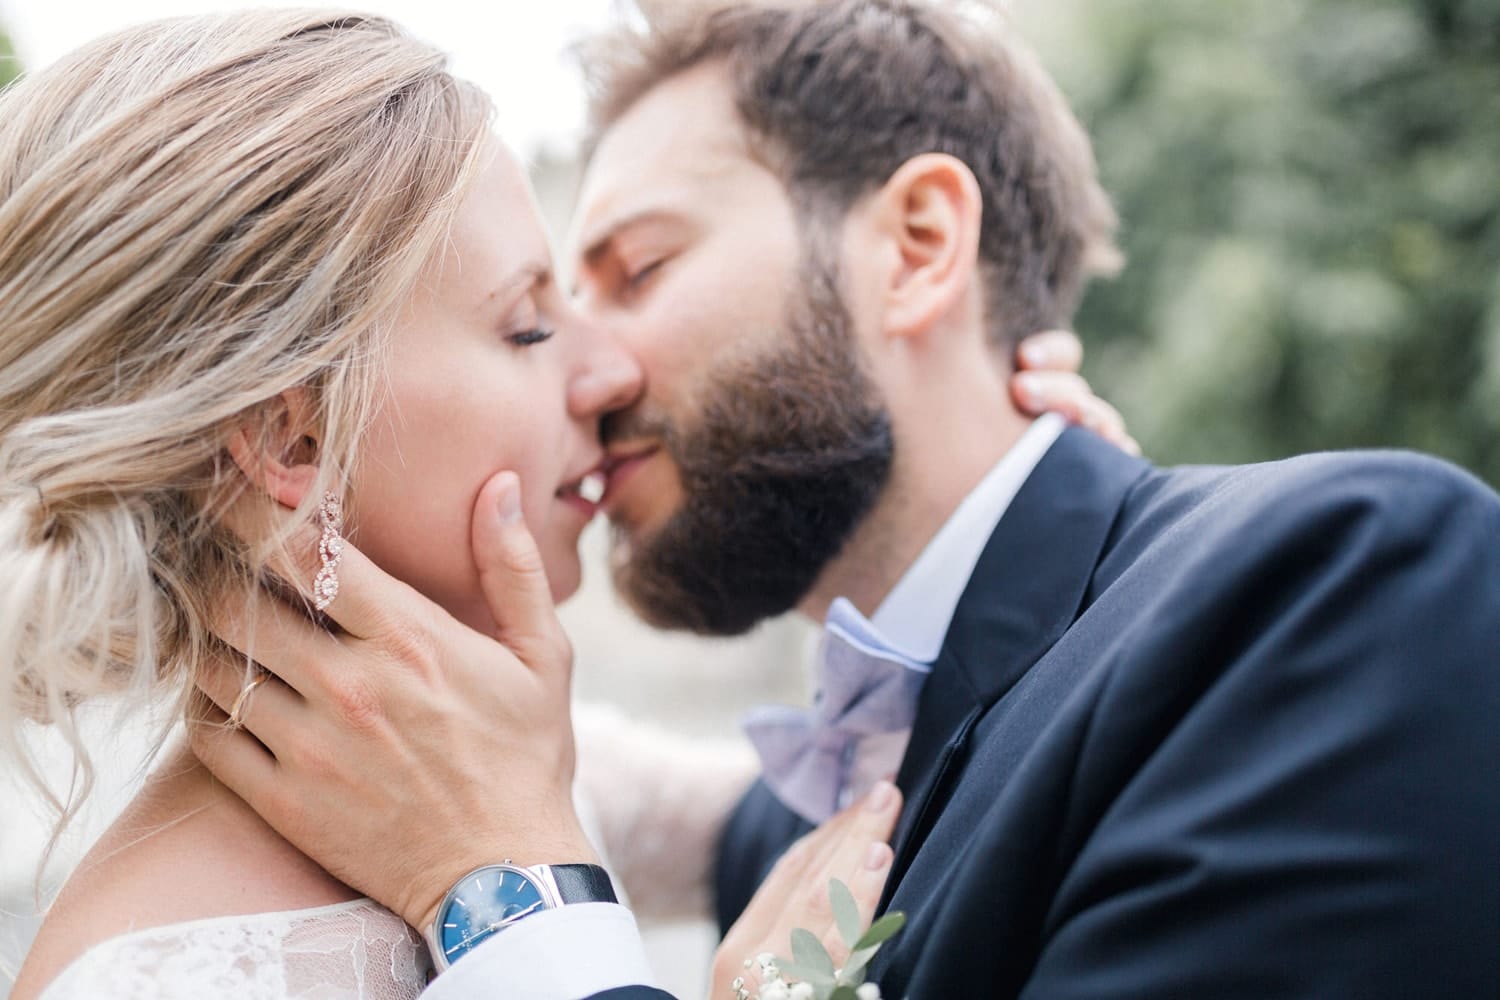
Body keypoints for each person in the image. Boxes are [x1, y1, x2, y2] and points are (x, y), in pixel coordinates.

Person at [192, 1, 1500, 998]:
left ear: (919, 246)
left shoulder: (1335, 586)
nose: (592, 374)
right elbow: (639, 798)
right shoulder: (823, 792)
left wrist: (511, 897)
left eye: (636, 269)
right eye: (546, 317)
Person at [0, 9, 1111, 999]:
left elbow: (865, 797)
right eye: (529, 324)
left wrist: (1015, 504)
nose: (608, 371)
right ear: (294, 439)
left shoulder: (517, 760)